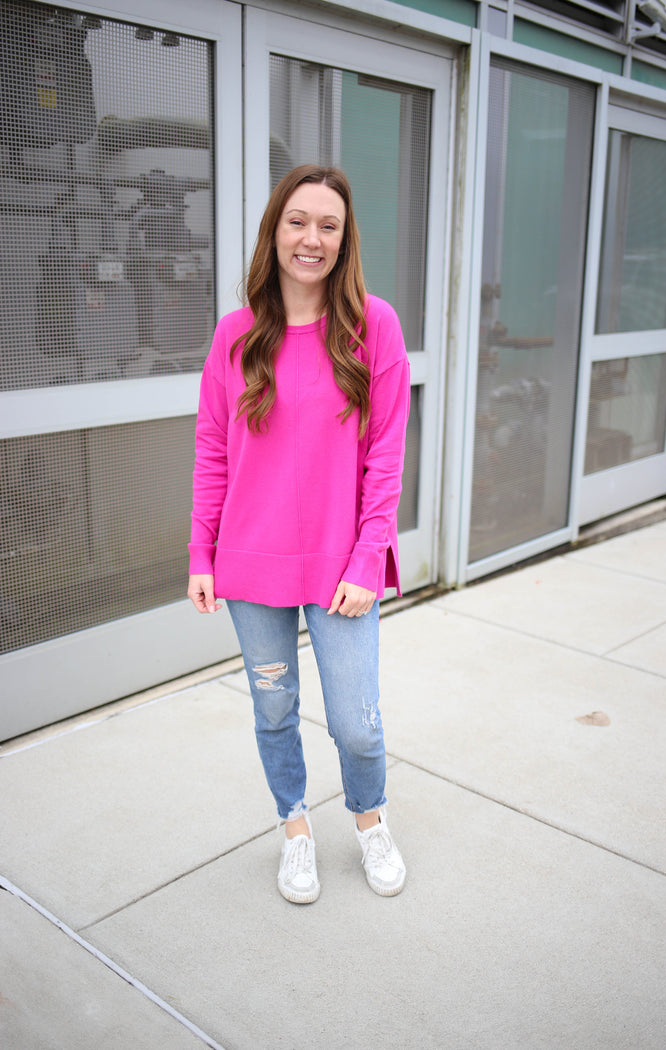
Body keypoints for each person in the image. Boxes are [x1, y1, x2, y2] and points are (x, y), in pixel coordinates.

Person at [187, 164, 410, 904]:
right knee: (275, 709)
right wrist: (201, 553)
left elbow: (385, 458)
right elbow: (213, 451)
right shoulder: (235, 335)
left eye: (328, 225)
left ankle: (370, 820)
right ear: (274, 230)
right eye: (297, 221)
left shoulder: (373, 326)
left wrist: (367, 558)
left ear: (345, 241)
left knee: (356, 723)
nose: (310, 238)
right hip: (250, 566)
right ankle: (294, 830)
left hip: (341, 567)